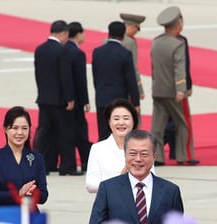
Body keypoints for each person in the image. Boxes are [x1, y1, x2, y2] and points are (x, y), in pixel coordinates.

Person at [87, 130, 184, 224]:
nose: (138, 159)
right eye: (132, 153)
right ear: (125, 155)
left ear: (154, 156)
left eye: (144, 154)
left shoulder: (170, 191)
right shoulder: (108, 189)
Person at [150, 6, 199, 166]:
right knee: (183, 123)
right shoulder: (178, 43)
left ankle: (156, 156)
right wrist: (181, 89)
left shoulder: (156, 42)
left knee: (157, 125)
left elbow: (153, 68)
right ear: (178, 24)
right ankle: (184, 155)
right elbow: (180, 68)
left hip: (158, 89)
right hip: (173, 91)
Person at [33, 20, 81, 176]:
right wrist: (70, 98)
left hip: (44, 98)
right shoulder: (62, 51)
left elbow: (38, 75)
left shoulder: (39, 49)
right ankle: (67, 166)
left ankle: (40, 165)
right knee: (65, 132)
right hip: (60, 100)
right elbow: (65, 77)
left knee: (44, 134)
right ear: (63, 34)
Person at [0, 106, 49, 208]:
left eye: (24, 128)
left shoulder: (37, 158)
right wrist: (18, 194)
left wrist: (32, 193)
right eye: (15, 128)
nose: (20, 133)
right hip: (3, 216)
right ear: (5, 129)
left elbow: (44, 195)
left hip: (28, 215)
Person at [85, 99, 147, 193]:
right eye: (116, 119)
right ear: (109, 122)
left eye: (126, 118)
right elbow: (90, 185)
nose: (121, 123)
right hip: (109, 204)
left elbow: (152, 181)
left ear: (133, 121)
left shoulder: (143, 147)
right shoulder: (98, 148)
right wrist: (120, 180)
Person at [92, 21, 140, 141]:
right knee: (119, 134)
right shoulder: (125, 54)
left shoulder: (97, 52)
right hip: (119, 101)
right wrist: (136, 102)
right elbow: (131, 80)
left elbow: (95, 76)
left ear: (109, 33)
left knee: (103, 134)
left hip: (101, 98)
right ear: (123, 34)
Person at [65, 21, 92, 173]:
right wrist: (86, 101)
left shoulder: (62, 49)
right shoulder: (77, 53)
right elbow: (81, 80)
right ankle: (86, 161)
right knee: (81, 131)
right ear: (79, 34)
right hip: (76, 99)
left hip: (62, 100)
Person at [164, 32, 194, 161]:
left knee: (170, 119)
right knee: (181, 120)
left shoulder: (160, 41)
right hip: (177, 87)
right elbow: (184, 66)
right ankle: (180, 152)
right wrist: (186, 86)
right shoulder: (181, 40)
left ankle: (174, 151)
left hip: (164, 86)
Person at [120, 13, 147, 102]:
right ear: (130, 26)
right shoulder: (130, 42)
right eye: (136, 28)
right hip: (126, 86)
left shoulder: (107, 40)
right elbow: (133, 67)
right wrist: (139, 89)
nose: (137, 31)